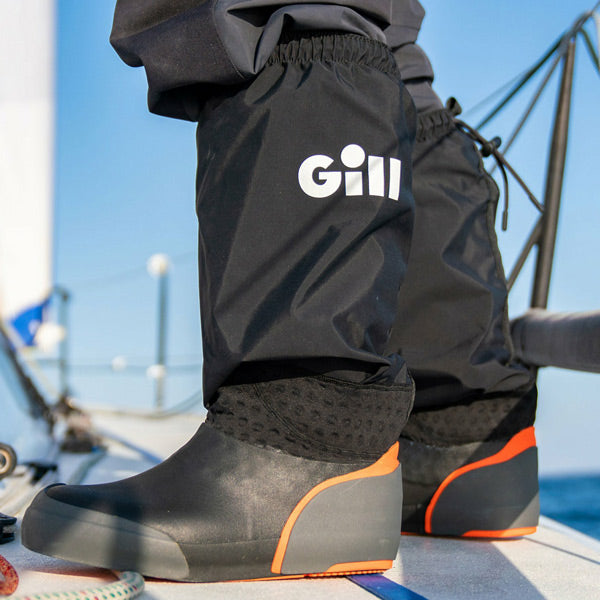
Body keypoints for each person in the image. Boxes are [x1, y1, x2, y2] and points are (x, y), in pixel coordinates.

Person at [22, 0, 538, 581]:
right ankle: (457, 430)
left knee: (276, 14)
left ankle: (298, 433)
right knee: (367, 24)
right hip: (463, 427)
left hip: (292, 444)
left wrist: (299, 420)